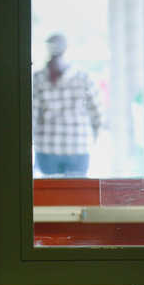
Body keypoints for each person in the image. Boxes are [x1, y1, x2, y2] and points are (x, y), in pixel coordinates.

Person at [31, 32, 103, 177]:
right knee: (75, 196)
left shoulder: (38, 78)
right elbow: (97, 112)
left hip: (47, 146)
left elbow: (32, 114)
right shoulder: (83, 78)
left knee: (49, 195)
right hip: (77, 146)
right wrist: (95, 136)